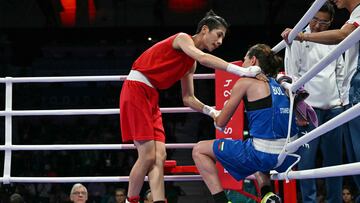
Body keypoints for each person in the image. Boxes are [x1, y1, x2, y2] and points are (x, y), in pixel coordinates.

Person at [119, 10, 265, 203]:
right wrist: (242, 71)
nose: (220, 41)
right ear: (205, 29)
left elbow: (188, 98)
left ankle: (159, 200)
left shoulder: (191, 63)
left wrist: (211, 111)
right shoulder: (182, 39)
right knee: (146, 156)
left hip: (151, 96)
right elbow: (204, 58)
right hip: (136, 89)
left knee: (159, 156)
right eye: (218, 34)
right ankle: (131, 200)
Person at [192, 44, 299, 203]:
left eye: (244, 60)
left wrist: (214, 114)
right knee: (254, 146)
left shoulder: (245, 82)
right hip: (290, 156)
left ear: (253, 60)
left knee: (199, 150)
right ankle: (267, 195)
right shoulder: (281, 84)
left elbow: (221, 123)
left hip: (264, 154)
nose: (242, 64)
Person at [281, 0, 360, 192]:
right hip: (310, 109)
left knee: (340, 162)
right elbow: (292, 76)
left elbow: (341, 70)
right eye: (314, 20)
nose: (317, 25)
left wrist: (341, 101)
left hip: (337, 106)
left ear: (330, 22)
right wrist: (298, 108)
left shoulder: (341, 31)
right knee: (309, 161)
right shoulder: (300, 38)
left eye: (323, 23)